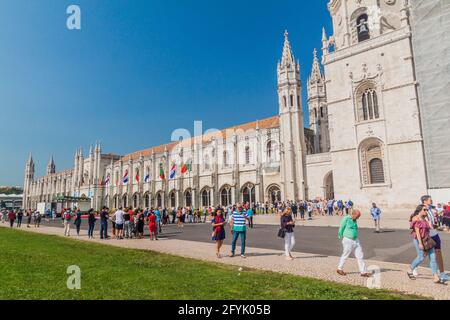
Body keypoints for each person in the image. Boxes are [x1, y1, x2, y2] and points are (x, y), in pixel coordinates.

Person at [407, 205, 446, 284]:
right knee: (421, 257)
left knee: (433, 258)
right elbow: (417, 232)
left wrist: (433, 225)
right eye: (425, 209)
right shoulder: (416, 218)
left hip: (427, 240)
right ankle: (410, 269)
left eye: (427, 210)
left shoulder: (425, 219)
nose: (426, 211)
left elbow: (431, 228)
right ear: (420, 210)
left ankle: (436, 277)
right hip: (419, 240)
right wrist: (420, 243)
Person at [420, 196, 449, 282]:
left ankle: (442, 274)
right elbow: (419, 221)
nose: (431, 200)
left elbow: (433, 223)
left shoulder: (432, 209)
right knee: (424, 256)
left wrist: (438, 227)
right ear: (425, 201)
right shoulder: (421, 209)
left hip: (435, 234)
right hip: (428, 236)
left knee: (439, 253)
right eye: (430, 199)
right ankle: (413, 268)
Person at [337, 209, 372, 277]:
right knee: (346, 254)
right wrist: (340, 235)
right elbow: (341, 227)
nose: (358, 218)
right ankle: (339, 268)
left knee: (360, 255)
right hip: (348, 239)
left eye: (359, 216)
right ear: (353, 214)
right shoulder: (346, 218)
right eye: (357, 216)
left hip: (355, 240)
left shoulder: (354, 220)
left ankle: (363, 272)